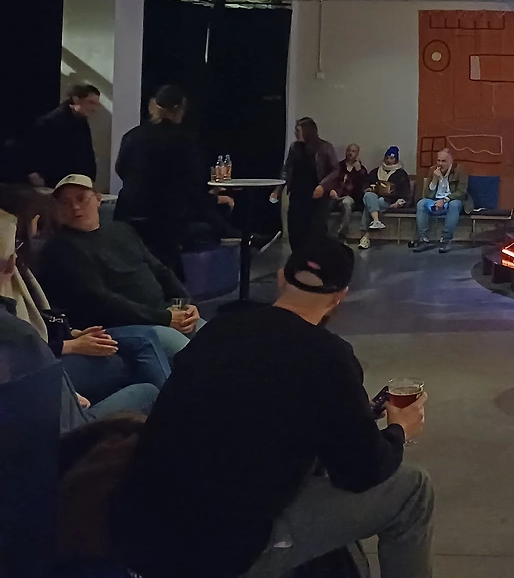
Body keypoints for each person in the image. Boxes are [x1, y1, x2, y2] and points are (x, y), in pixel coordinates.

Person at [112, 238, 434, 578]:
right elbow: (361, 471)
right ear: (340, 297)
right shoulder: (328, 355)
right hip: (218, 554)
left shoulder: (218, 330)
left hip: (141, 534)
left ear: (281, 277)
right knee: (413, 490)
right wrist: (399, 432)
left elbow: (248, 414)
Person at [1, 208, 165, 429]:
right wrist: (70, 345)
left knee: (137, 347)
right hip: (66, 435)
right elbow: (34, 363)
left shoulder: (122, 232)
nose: (76, 208)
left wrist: (70, 333)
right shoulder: (14, 328)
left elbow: (41, 323)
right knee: (146, 385)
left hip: (62, 351)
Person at [36, 175, 200, 366]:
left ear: (98, 199)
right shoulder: (61, 248)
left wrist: (187, 304)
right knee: (194, 354)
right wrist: (164, 318)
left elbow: (160, 270)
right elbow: (100, 299)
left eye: (81, 199)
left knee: (212, 336)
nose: (75, 207)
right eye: (65, 203)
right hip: (120, 323)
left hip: (160, 312)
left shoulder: (122, 230)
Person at [115, 84, 236, 275]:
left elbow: (121, 169)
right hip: (165, 220)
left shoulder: (132, 136)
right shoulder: (184, 141)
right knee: (210, 216)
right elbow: (190, 188)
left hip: (128, 214)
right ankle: (236, 237)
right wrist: (214, 199)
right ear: (180, 109)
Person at [280, 117, 340, 253]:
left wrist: (323, 185)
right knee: (295, 229)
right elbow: (287, 169)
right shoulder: (294, 148)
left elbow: (335, 169)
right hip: (297, 194)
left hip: (316, 197)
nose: (295, 133)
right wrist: (278, 189)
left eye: (298, 130)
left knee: (315, 230)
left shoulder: (324, 147)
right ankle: (297, 258)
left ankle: (314, 259)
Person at [25, 83, 101, 188]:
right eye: (90, 102)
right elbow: (32, 149)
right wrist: (34, 173)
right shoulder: (51, 121)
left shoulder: (81, 122)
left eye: (96, 104)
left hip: (76, 182)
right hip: (54, 182)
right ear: (76, 99)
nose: (94, 108)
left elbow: (87, 152)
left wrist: (90, 178)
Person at [413, 148, 471, 255]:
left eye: (443, 161)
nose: (440, 164)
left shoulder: (460, 170)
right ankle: (423, 239)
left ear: (450, 162)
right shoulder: (433, 170)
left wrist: (444, 200)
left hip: (452, 200)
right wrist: (435, 179)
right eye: (438, 160)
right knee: (421, 203)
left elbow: (462, 192)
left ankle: (445, 240)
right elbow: (427, 194)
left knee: (454, 205)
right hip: (435, 200)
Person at [359, 147, 412, 251]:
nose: (388, 161)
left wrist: (399, 203)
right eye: (387, 158)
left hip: (390, 201)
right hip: (374, 197)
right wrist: (368, 188)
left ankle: (365, 236)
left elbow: (405, 192)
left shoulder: (401, 174)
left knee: (370, 206)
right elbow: (365, 184)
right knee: (368, 196)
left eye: (391, 158)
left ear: (396, 159)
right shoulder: (375, 172)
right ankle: (376, 221)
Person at [330, 143, 368, 241]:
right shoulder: (338, 166)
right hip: (334, 197)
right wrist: (331, 190)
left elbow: (363, 187)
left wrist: (358, 170)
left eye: (353, 151)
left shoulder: (361, 170)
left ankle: (342, 234)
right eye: (349, 150)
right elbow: (330, 180)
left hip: (350, 198)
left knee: (347, 202)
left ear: (357, 153)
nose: (350, 153)